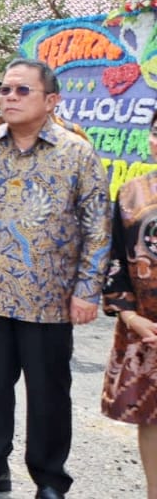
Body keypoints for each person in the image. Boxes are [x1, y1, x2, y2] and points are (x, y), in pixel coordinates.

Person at [0, 58, 110, 499]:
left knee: (48, 395)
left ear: (51, 100)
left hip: (51, 301)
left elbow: (98, 226)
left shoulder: (77, 153)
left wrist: (87, 289)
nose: (10, 98)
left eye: (23, 91)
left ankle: (49, 478)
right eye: (5, 91)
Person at [101, 112, 157, 499]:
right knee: (151, 416)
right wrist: (130, 314)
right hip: (146, 325)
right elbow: (115, 258)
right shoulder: (131, 193)